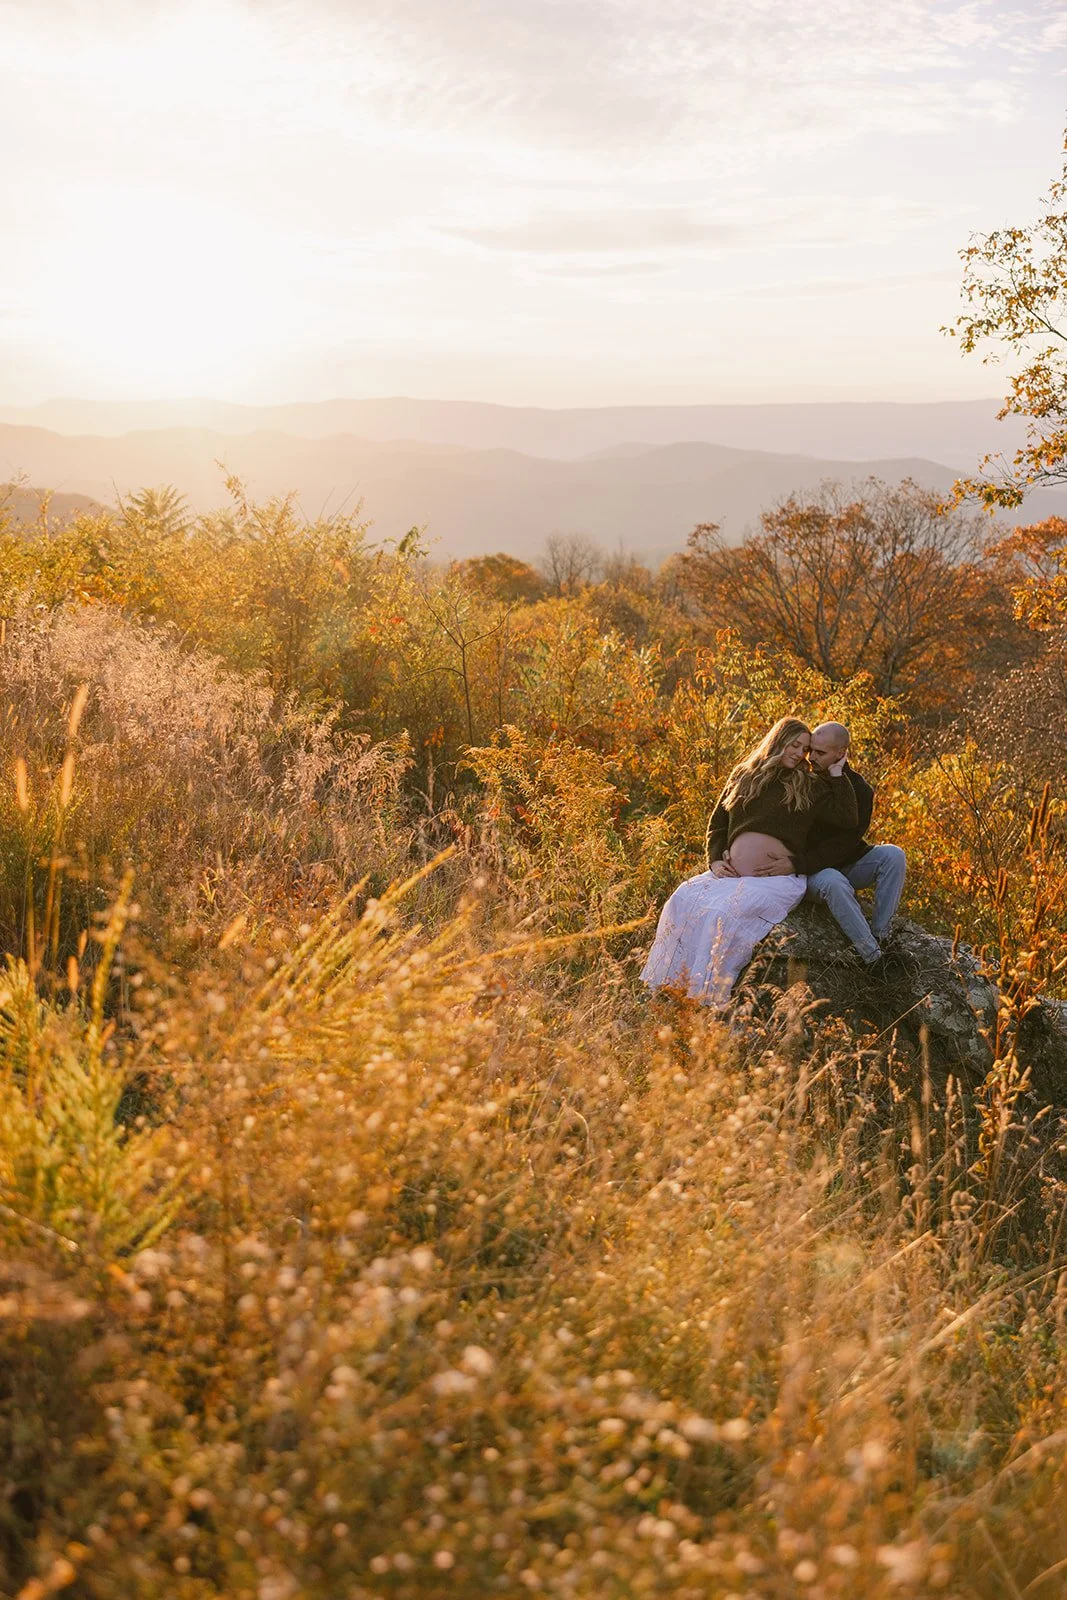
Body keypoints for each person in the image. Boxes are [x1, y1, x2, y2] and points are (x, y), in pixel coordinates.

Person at [641, 717, 857, 1006]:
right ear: (778, 741)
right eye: (794, 745)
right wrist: (715, 861)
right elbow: (717, 825)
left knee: (723, 914)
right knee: (681, 900)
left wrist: (838, 772)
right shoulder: (744, 775)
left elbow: (847, 818)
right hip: (730, 875)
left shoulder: (806, 784)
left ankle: (705, 996)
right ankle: (669, 988)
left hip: (775, 880)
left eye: (805, 750)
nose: (799, 754)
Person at [804, 721, 907, 967]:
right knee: (833, 880)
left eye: (820, 752)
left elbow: (846, 841)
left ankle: (881, 935)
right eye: (810, 750)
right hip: (807, 871)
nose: (811, 757)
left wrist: (837, 779)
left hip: (842, 864)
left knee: (894, 855)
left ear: (840, 753)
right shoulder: (802, 781)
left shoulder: (860, 790)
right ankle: (873, 958)